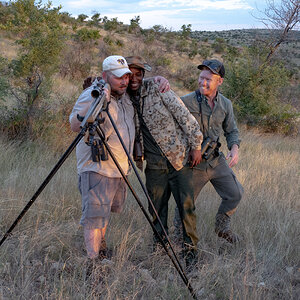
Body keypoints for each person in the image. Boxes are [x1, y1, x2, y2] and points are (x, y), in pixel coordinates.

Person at [125, 56, 203, 268]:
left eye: (138, 73)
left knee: (187, 209)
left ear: (144, 74)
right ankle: (160, 254)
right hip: (154, 165)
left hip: (179, 161)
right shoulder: (122, 96)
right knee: (157, 211)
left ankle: (191, 257)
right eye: (129, 74)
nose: (133, 78)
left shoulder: (158, 88)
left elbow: (185, 117)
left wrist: (196, 146)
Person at [69, 55, 135, 261]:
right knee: (94, 219)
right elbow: (75, 124)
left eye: (126, 76)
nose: (124, 81)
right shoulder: (93, 94)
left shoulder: (124, 97)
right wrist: (99, 102)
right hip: (98, 168)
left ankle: (100, 251)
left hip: (119, 168)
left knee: (104, 215)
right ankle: (92, 262)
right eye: (118, 77)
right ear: (105, 76)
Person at [174, 59, 244, 244]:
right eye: (201, 77)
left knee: (235, 193)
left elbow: (232, 131)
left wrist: (234, 149)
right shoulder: (185, 101)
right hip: (193, 163)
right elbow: (174, 132)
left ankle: (222, 228)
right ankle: (178, 241)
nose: (203, 82)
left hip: (215, 160)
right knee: (185, 204)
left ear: (219, 81)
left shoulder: (225, 104)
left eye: (208, 79)